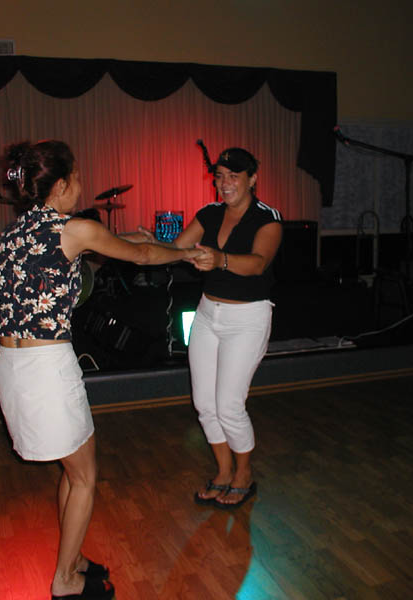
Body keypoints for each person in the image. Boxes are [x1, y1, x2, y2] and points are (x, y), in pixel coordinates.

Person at [0, 140, 202, 600]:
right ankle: (65, 581)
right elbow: (137, 257)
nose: (81, 186)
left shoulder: (14, 233)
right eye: (77, 178)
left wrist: (138, 239)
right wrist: (183, 254)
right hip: (46, 369)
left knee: (73, 471)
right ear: (60, 185)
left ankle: (74, 559)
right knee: (85, 476)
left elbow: (103, 243)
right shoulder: (75, 229)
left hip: (11, 366)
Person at [145, 147, 282, 509]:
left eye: (233, 176)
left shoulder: (267, 218)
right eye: (219, 176)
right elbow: (177, 248)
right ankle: (223, 472)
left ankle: (244, 474)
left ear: (252, 179)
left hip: (247, 319)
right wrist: (151, 244)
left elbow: (257, 263)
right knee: (205, 404)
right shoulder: (209, 213)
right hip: (208, 315)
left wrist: (219, 259)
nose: (225, 183)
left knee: (229, 405)